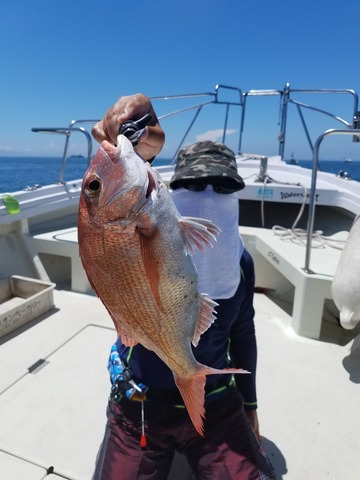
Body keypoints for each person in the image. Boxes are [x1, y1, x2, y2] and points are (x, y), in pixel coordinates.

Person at [91, 94, 276, 480]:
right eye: (195, 184)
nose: (208, 195)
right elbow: (135, 187)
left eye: (222, 187)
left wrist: (251, 404)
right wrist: (139, 133)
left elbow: (243, 333)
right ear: (175, 189)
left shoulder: (241, 263)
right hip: (139, 402)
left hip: (218, 398)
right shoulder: (147, 217)